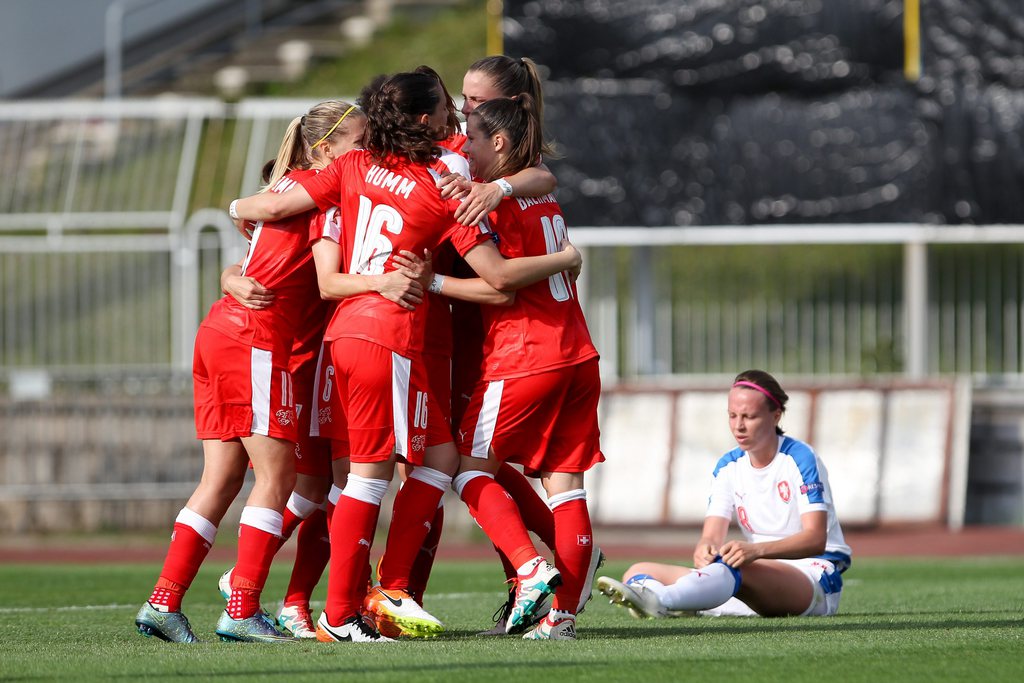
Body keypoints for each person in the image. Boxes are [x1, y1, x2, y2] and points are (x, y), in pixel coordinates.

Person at [229, 70, 582, 643]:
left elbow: (278, 202)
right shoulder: (443, 181)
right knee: (368, 479)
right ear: (426, 120)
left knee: (439, 460)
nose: (458, 122)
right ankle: (341, 616)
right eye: (449, 110)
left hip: (349, 336)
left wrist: (236, 210)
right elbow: (496, 279)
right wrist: (561, 258)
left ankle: (388, 589)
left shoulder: (349, 165)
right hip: (385, 336)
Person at [134, 99, 367, 644]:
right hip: (257, 341)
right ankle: (241, 607)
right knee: (278, 478)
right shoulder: (324, 190)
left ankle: (163, 603)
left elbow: (255, 243)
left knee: (221, 479)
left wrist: (231, 266)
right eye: (360, 139)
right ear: (325, 149)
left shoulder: (293, 189)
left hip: (223, 333)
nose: (369, 150)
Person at [435, 94, 605, 640]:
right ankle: (562, 622)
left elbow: (501, 281)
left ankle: (531, 571)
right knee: (567, 489)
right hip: (578, 353)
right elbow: (542, 182)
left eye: (475, 135)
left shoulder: (488, 201)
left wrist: (432, 282)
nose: (466, 144)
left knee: (464, 465)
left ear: (500, 143)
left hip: (525, 357)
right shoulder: (538, 195)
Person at [597, 369, 852, 619]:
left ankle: (661, 600)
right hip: (750, 573)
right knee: (638, 570)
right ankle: (674, 598)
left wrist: (755, 551)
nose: (739, 426)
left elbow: (815, 539)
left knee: (734, 566)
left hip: (812, 577)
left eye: (749, 416)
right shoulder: (728, 466)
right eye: (732, 415)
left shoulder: (800, 458)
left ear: (776, 416)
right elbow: (710, 535)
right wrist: (704, 549)